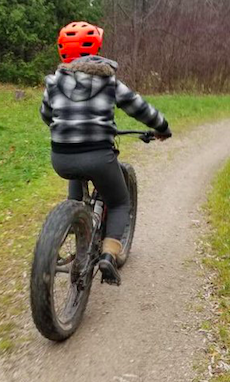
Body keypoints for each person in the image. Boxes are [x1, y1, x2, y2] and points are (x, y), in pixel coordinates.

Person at [40, 21, 172, 284]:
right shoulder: (108, 81)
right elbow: (140, 108)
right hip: (99, 156)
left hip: (62, 157)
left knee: (76, 193)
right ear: (95, 49)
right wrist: (162, 127)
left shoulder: (54, 83)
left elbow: (47, 116)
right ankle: (108, 256)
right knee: (119, 201)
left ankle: (73, 232)